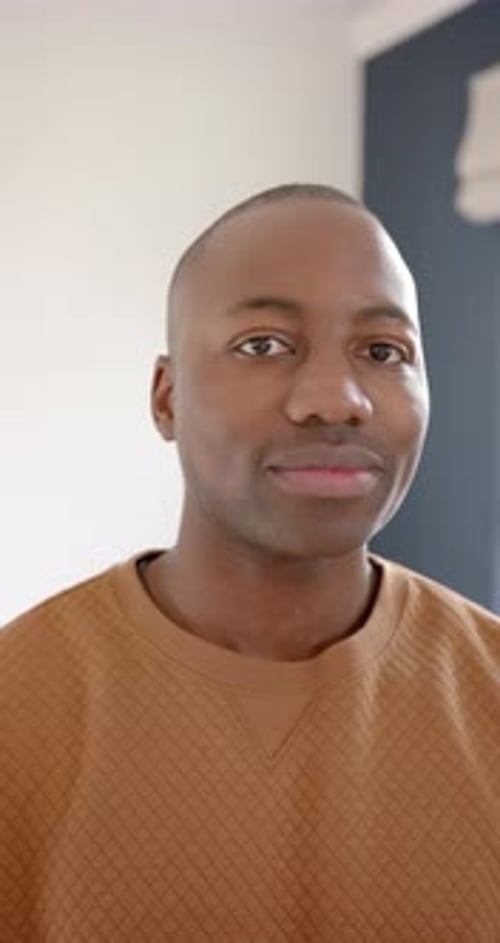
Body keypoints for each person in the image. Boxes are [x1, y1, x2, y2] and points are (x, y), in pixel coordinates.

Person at [1, 183, 499, 942]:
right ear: (166, 399)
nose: (336, 400)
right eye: (264, 344)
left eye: (382, 351)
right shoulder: (18, 711)